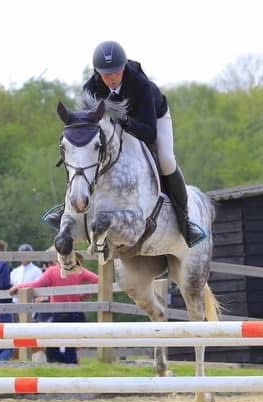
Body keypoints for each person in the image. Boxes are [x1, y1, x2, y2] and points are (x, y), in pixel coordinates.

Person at [44, 40, 205, 248]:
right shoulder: (91, 87)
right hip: (114, 132)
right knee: (85, 155)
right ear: (97, 72)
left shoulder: (140, 85)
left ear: (123, 68)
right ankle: (68, 210)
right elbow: (86, 127)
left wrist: (125, 122)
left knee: (166, 160)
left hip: (152, 120)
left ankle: (185, 221)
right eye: (105, 74)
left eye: (116, 73)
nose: (111, 78)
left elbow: (149, 132)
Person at [9, 251, 99, 364]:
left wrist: (18, 286)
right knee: (70, 347)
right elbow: (97, 280)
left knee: (52, 350)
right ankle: (72, 366)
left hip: (59, 315)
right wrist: (83, 296)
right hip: (76, 314)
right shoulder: (78, 270)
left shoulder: (51, 271)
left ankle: (67, 365)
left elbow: (35, 285)